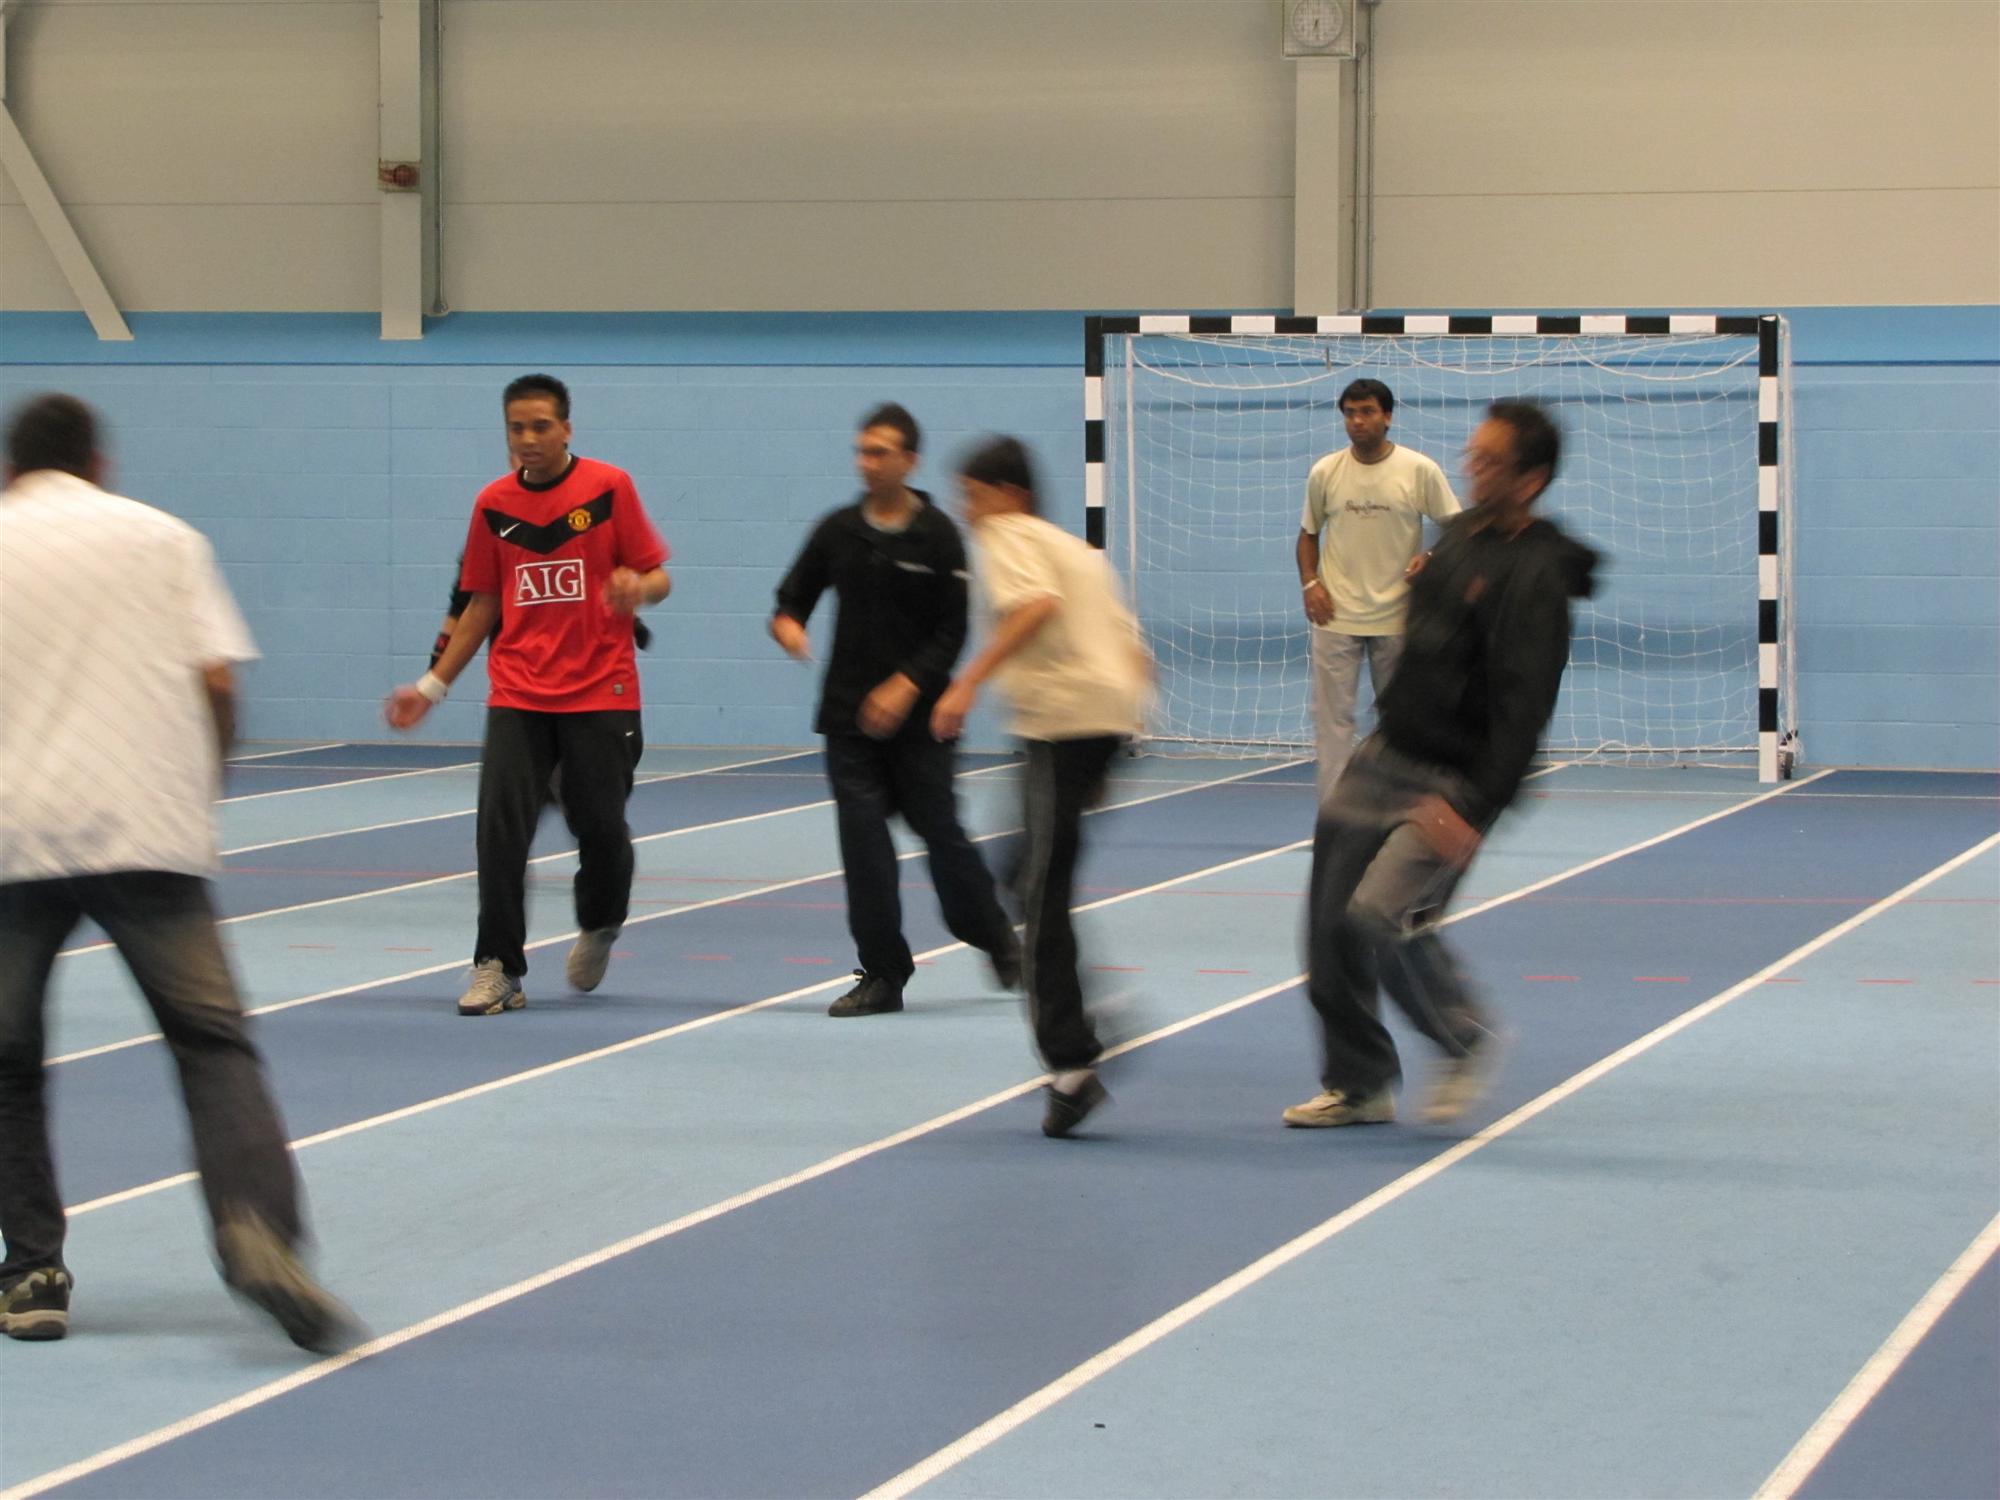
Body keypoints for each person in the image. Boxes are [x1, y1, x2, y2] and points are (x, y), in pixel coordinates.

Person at [0, 393, 348, 1348]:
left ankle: (32, 1274)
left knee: (8, 1063)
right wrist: (202, 786)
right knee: (211, 1044)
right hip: (147, 831)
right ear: (99, 465)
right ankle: (257, 1233)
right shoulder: (165, 539)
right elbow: (218, 682)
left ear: (12, 469)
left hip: (13, 838)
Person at [1285, 400, 1598, 1129]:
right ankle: (1360, 1083)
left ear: (1530, 479)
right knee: (1328, 925)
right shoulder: (1457, 537)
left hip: (1453, 781)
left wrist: (1477, 805)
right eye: (1472, 454)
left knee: (1379, 917)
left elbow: (1525, 708)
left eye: (1489, 461)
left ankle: (1461, 1037)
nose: (1472, 469)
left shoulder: (1538, 577)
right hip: (1387, 754)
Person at [386, 374, 671, 1016]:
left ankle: (600, 920)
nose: (529, 439)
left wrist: (638, 587)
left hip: (601, 691)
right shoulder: (493, 504)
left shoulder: (609, 487)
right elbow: (481, 603)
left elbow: (659, 577)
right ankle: (498, 967)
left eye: (541, 426)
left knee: (600, 829)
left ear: (566, 428)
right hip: (518, 692)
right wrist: (432, 685)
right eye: (517, 428)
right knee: (500, 833)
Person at [771, 403, 1020, 1018]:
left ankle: (994, 936)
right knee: (865, 851)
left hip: (922, 726)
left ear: (909, 460)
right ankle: (883, 974)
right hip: (848, 722)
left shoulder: (938, 535)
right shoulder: (837, 530)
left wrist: (908, 684)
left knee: (943, 838)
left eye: (880, 452)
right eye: (862, 451)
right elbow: (792, 597)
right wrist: (789, 627)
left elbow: (953, 629)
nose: (868, 462)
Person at [931, 438, 1150, 1137]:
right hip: (1100, 721)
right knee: (1026, 876)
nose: (967, 511)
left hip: (1063, 723)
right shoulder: (1078, 550)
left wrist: (966, 683)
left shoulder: (1008, 536)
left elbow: (1035, 606)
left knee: (1038, 888)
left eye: (973, 495)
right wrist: (1112, 751)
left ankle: (1072, 1064)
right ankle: (1082, 1024)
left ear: (1011, 495)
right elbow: (1136, 653)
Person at [1296, 378, 1460, 805]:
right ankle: (1334, 812)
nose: (1357, 421)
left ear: (1387, 417)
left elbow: (1458, 530)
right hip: (1335, 617)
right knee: (1332, 723)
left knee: (1402, 722)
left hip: (1399, 618)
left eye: (1367, 411)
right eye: (1350, 413)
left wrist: (1431, 556)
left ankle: (1399, 807)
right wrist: (1311, 582)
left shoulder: (1418, 470)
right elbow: (1308, 534)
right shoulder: (1325, 472)